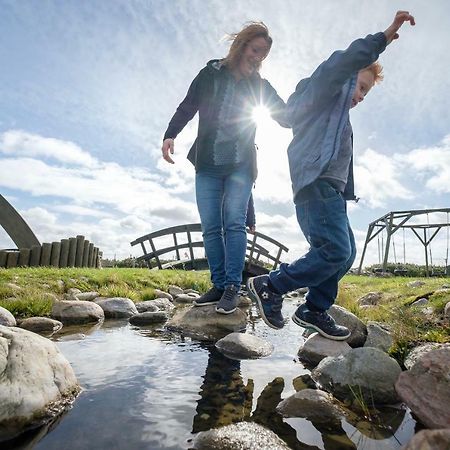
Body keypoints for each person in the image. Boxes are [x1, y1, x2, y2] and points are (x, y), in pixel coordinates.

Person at [247, 11, 415, 339]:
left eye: (366, 94)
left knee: (346, 253)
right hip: (316, 185)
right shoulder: (324, 93)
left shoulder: (341, 119)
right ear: (347, 76)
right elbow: (340, 63)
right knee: (335, 250)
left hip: (331, 192)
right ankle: (271, 285)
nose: (361, 97)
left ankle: (314, 308)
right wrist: (383, 38)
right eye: (361, 87)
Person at [162, 22, 289, 314]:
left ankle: (233, 286)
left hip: (241, 163)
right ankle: (218, 284)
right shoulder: (210, 74)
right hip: (207, 161)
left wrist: (314, 107)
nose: (259, 57)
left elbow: (285, 115)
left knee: (234, 222)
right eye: (256, 50)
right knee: (210, 227)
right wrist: (170, 134)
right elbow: (187, 106)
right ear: (242, 45)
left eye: (264, 54)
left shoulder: (260, 86)